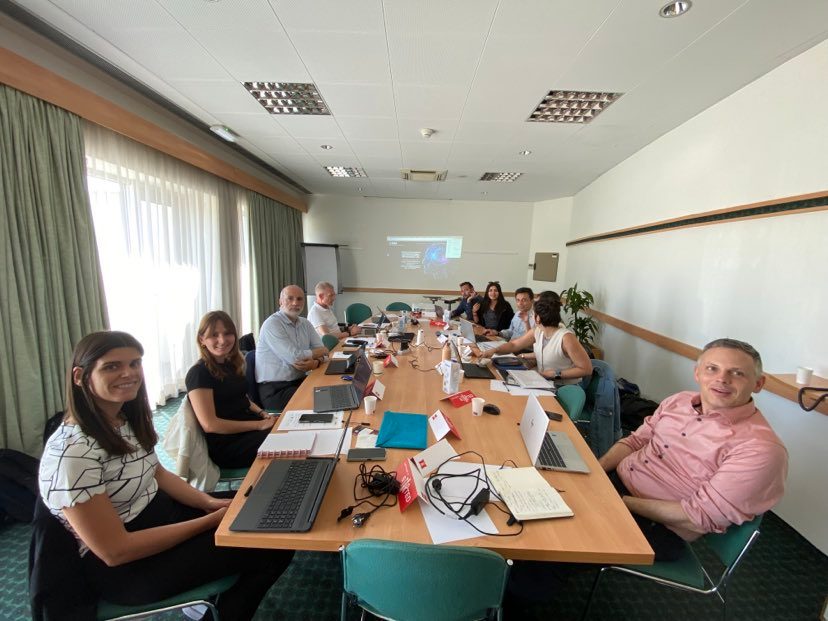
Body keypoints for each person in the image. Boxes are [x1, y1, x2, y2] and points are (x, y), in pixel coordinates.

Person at [37, 331, 293, 620]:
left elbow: (156, 472)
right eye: (112, 366)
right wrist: (208, 522)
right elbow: (115, 551)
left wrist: (206, 502)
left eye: (134, 364)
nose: (129, 373)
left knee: (272, 510)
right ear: (80, 376)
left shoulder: (122, 419)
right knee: (272, 542)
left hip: (161, 516)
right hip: (128, 569)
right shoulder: (72, 454)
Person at [598, 338, 788, 560]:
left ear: (758, 383)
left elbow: (698, 516)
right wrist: (596, 471)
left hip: (656, 525)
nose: (722, 379)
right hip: (615, 484)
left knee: (559, 544)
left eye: (737, 373)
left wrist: (618, 501)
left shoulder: (761, 448)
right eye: (712, 368)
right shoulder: (679, 401)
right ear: (697, 373)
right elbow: (635, 442)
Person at [186, 311, 275, 469]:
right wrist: (258, 425)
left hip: (248, 427)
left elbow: (242, 398)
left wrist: (262, 413)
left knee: (289, 430)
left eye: (227, 333)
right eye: (214, 335)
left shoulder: (230, 364)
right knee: (288, 441)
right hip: (229, 444)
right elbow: (210, 424)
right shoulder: (199, 373)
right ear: (202, 340)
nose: (222, 340)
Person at [480, 296, 591, 386]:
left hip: (564, 388)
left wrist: (556, 374)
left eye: (533, 314)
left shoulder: (566, 338)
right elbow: (514, 345)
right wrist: (494, 350)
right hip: (545, 383)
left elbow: (586, 369)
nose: (532, 317)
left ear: (538, 318)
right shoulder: (538, 331)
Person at [256, 284, 327, 411]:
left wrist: (316, 362)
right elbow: (295, 357)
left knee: (330, 390)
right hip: (276, 390)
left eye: (299, 299)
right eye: (290, 298)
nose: (295, 303)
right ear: (280, 301)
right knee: (324, 401)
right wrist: (320, 353)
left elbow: (325, 354)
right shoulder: (272, 324)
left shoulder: (305, 323)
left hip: (299, 381)